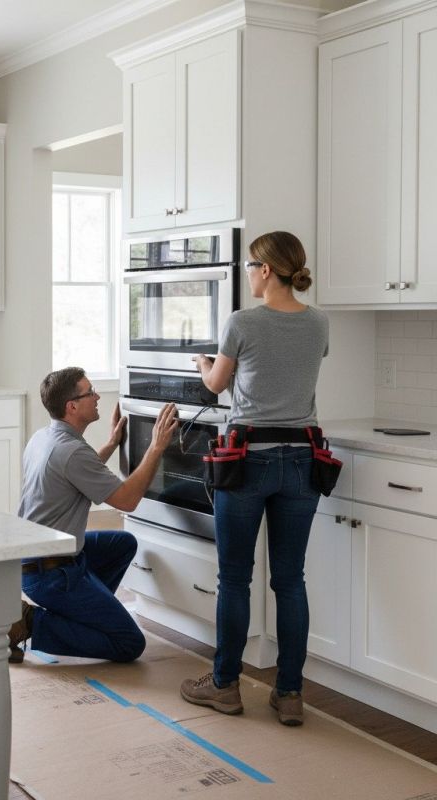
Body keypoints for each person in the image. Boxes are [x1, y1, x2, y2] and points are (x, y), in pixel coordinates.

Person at [179, 230, 329, 726]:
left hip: (247, 460)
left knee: (235, 579)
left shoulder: (242, 322)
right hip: (303, 459)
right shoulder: (319, 322)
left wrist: (204, 364)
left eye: (249, 266)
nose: (247, 274)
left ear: (266, 270)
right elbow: (290, 374)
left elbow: (218, 385)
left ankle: (224, 686)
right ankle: (289, 694)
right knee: (290, 581)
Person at [8, 366, 178, 664]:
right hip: (50, 573)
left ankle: (83, 614)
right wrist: (156, 446)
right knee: (129, 643)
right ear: (72, 406)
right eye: (90, 392)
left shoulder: (45, 438)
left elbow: (80, 474)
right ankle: (31, 623)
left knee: (122, 544)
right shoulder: (72, 451)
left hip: (35, 558)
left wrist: (112, 443)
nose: (97, 396)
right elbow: (127, 501)